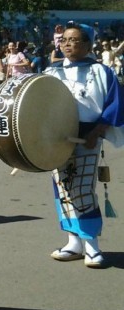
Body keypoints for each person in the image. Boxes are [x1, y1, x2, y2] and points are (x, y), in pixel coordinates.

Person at [44, 23, 124, 268]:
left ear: (88, 44)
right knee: (63, 188)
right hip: (58, 137)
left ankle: (92, 245)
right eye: (65, 40)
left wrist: (98, 131)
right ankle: (73, 242)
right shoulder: (51, 72)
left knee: (82, 188)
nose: (68, 44)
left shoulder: (102, 71)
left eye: (75, 40)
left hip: (87, 136)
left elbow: (114, 104)